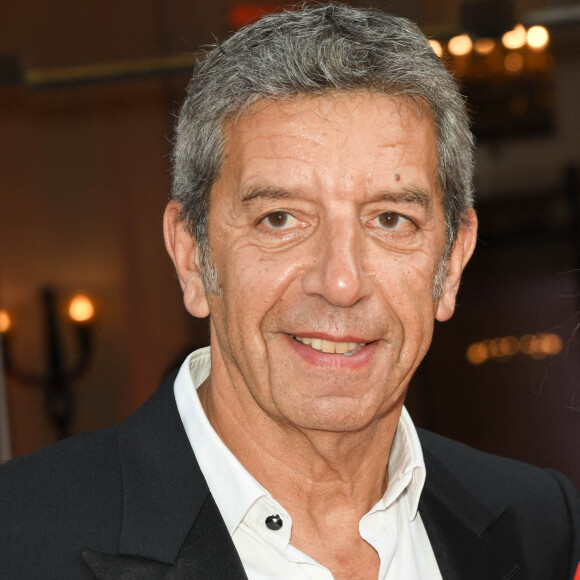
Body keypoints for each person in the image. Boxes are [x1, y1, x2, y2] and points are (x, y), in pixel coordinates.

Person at [1, 3, 579, 579]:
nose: (342, 282)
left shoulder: (540, 525)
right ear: (192, 257)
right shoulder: (19, 540)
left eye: (390, 219)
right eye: (280, 218)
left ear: (450, 264)